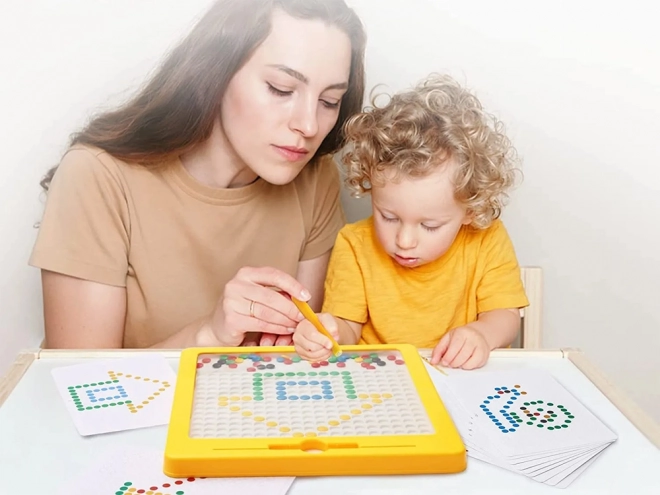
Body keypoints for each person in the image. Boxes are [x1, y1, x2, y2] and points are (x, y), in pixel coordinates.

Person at [29, 0, 367, 350]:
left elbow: (292, 359)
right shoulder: (97, 176)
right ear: (216, 72)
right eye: (281, 88)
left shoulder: (315, 178)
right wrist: (207, 335)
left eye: (329, 101)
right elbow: (79, 387)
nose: (309, 126)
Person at [293, 74, 530, 370]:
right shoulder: (354, 244)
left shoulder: (486, 238)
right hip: (380, 386)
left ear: (470, 209)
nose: (404, 241)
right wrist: (328, 333)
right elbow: (349, 330)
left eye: (429, 226)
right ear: (371, 185)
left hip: (459, 381)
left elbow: (505, 316)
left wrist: (481, 334)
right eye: (388, 217)